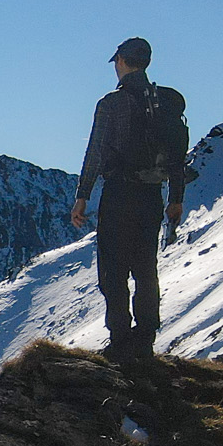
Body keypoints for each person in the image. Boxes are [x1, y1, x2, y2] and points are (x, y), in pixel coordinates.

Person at [70, 36, 186, 361]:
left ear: (121, 60)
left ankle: (120, 340)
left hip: (119, 194)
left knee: (113, 269)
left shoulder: (110, 104)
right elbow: (177, 156)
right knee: (146, 269)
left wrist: (82, 197)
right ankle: (145, 339)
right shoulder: (166, 102)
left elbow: (94, 152)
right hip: (152, 194)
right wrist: (175, 197)